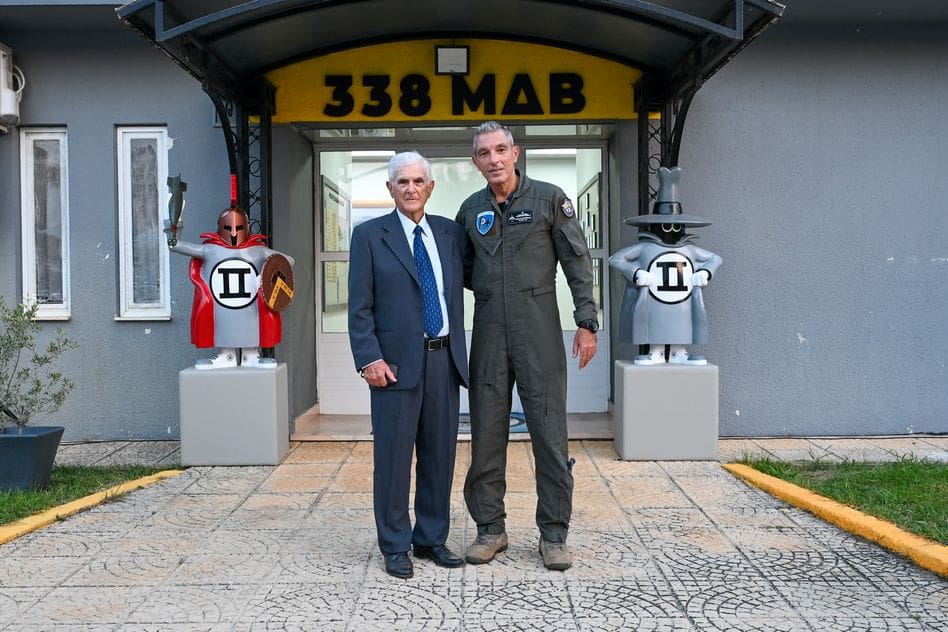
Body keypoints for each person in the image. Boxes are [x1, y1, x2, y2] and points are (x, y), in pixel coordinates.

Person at [456, 122, 598, 571]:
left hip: (538, 328)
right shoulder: (470, 209)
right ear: (475, 161)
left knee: (550, 435)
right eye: (484, 153)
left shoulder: (549, 199)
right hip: (488, 330)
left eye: (501, 149)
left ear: (515, 153)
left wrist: (586, 322)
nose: (494, 159)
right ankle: (490, 530)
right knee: (486, 436)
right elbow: (462, 269)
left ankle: (553, 535)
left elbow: (577, 260)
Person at [348, 151, 469, 579]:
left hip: (444, 361)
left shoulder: (450, 234)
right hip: (394, 367)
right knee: (394, 460)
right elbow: (359, 307)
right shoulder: (369, 236)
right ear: (390, 188)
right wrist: (369, 358)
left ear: (430, 187)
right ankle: (395, 543)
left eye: (418, 181)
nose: (411, 188)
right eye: (403, 182)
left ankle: (431, 538)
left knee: (439, 457)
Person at [167, 205, 293, 369]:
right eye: (228, 228)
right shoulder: (210, 250)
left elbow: (288, 261)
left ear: (246, 227)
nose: (233, 233)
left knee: (251, 324)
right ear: (220, 227)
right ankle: (227, 355)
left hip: (251, 305)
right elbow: (176, 246)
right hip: (221, 305)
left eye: (239, 227)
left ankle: (250, 355)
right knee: (222, 324)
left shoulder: (258, 250)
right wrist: (174, 231)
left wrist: (268, 273)